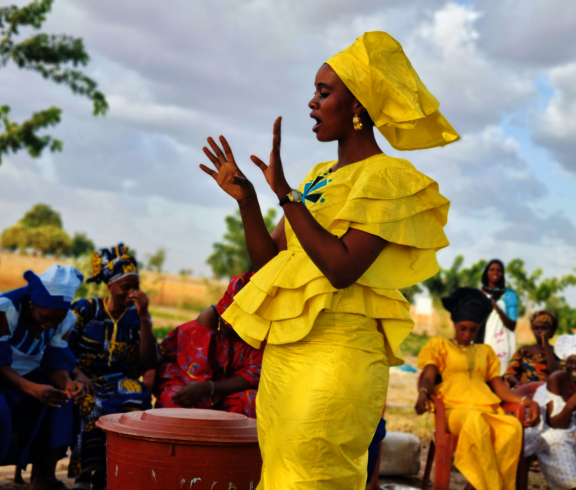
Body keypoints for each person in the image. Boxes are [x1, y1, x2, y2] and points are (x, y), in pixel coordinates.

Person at [199, 31, 456, 489]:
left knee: (313, 478)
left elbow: (340, 269)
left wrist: (285, 194)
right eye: (314, 92)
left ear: (357, 105)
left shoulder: (389, 177)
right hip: (285, 359)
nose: (312, 104)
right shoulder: (317, 178)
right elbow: (269, 263)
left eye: (324, 92)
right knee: (280, 476)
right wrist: (250, 201)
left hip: (337, 359)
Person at [416, 287, 540, 490]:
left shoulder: (486, 352)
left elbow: (500, 389)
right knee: (475, 422)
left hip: (486, 409)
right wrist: (423, 393)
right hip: (454, 411)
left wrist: (527, 401)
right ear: (454, 324)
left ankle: (475, 487)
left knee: (512, 428)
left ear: (479, 328)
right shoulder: (440, 346)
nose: (467, 334)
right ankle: (493, 487)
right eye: (462, 328)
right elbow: (429, 376)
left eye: (473, 330)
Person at [67, 244, 159, 490]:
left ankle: (117, 470)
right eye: (125, 287)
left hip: (121, 379)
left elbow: (150, 361)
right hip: (83, 376)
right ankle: (86, 474)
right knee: (89, 403)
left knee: (136, 397)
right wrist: (76, 374)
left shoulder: (137, 315)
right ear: (110, 286)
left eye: (135, 287)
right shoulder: (85, 309)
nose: (131, 293)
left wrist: (143, 316)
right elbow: (61, 347)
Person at [0, 265, 86, 490]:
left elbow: (56, 362)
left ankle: (44, 478)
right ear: (31, 302)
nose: (51, 324)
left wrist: (68, 384)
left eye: (56, 320)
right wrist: (32, 389)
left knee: (62, 404)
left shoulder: (64, 319)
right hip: (3, 374)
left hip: (29, 377)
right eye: (46, 317)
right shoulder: (6, 308)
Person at [154, 272, 263, 417]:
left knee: (252, 402)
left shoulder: (259, 331)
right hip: (186, 381)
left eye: (241, 329)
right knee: (179, 407)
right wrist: (206, 395)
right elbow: (194, 377)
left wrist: (210, 388)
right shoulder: (209, 319)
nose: (235, 332)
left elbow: (251, 374)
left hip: (220, 388)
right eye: (229, 326)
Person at [525, 334, 576, 490]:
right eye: (570, 362)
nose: (573, 366)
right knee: (557, 442)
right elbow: (555, 423)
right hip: (550, 429)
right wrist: (571, 404)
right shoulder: (557, 379)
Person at [478, 259, 519, 374]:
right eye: (492, 269)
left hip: (499, 346)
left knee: (498, 380)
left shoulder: (508, 295)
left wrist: (497, 309)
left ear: (502, 274)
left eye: (499, 270)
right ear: (486, 272)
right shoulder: (477, 294)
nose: (495, 273)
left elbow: (512, 325)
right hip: (477, 344)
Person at [504, 310, 562, 388]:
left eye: (544, 328)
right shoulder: (524, 350)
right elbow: (510, 373)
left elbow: (557, 374)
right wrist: (517, 383)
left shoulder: (558, 352)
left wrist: (546, 347)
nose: (539, 331)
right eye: (536, 328)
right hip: (523, 391)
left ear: (551, 331)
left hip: (547, 393)